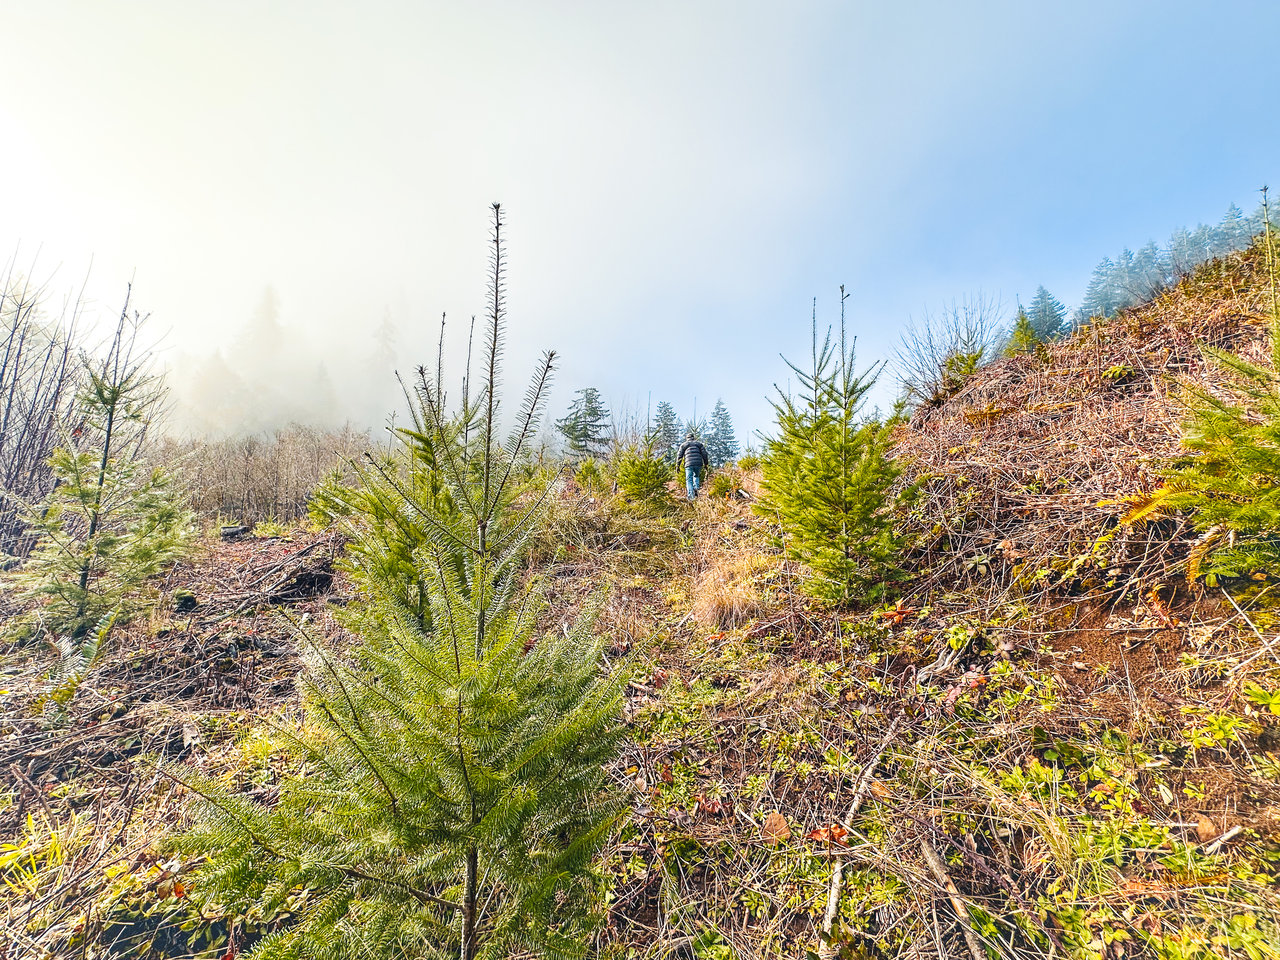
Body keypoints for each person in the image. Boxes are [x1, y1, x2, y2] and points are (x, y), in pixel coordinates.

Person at [676, 431, 710, 500]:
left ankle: (691, 497)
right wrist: (706, 464)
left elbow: (679, 456)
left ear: (687, 438)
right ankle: (696, 490)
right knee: (696, 476)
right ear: (693, 438)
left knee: (689, 480)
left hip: (689, 464)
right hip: (698, 463)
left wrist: (677, 466)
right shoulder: (699, 444)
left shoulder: (684, 445)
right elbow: (704, 454)